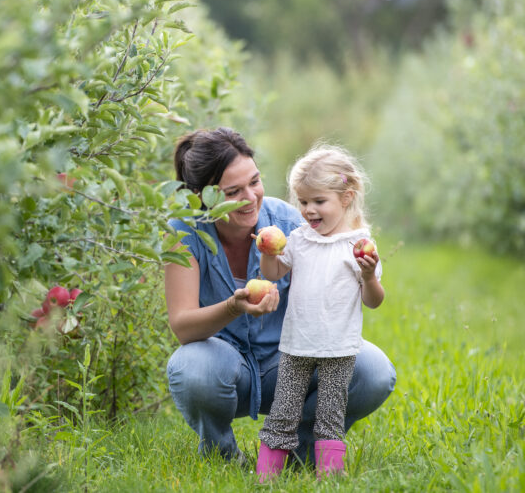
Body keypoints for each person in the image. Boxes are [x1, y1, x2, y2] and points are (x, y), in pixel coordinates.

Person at [164, 128, 396, 468]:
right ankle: (222, 456)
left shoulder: (292, 222)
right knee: (192, 369)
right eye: (233, 191)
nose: (251, 197)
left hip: (291, 361)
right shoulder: (184, 233)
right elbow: (182, 327)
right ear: (202, 196)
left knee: (373, 371)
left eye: (255, 182)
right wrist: (233, 306)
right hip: (226, 367)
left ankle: (299, 453)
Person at [254, 143, 384, 481]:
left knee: (330, 416)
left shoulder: (358, 246)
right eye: (303, 201)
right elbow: (273, 274)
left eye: (318, 201)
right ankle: (266, 478)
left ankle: (328, 478)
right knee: (283, 411)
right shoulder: (298, 239)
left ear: (346, 197)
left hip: (339, 349)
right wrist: (267, 250)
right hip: (296, 344)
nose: (309, 210)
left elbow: (373, 300)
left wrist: (369, 275)